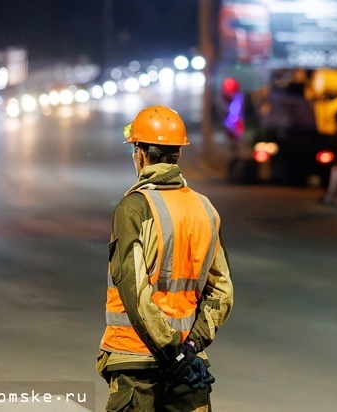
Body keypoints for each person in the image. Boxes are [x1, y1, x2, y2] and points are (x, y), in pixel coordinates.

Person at [97, 105, 234, 411]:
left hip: (136, 362)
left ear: (140, 153)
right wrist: (190, 348)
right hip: (187, 368)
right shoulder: (205, 209)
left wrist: (173, 352)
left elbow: (135, 293)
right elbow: (222, 292)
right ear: (178, 155)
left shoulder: (133, 208)